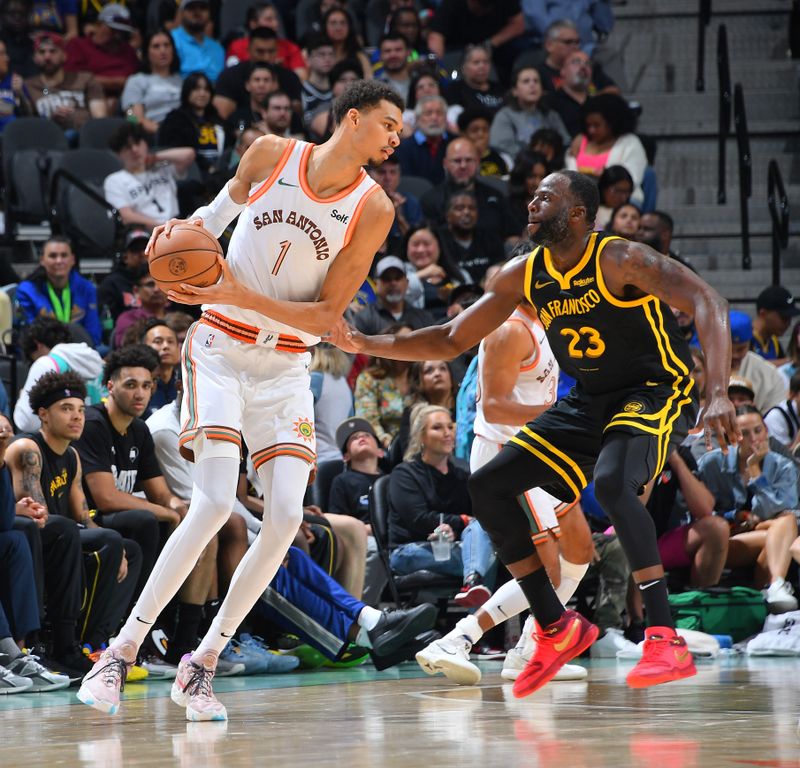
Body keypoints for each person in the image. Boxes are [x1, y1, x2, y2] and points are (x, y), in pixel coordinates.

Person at [329, 169, 738, 695]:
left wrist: (720, 391)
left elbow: (709, 301)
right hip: (591, 400)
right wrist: (364, 340)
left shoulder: (620, 258)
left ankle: (665, 637)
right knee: (487, 487)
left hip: (657, 388)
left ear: (578, 215)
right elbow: (451, 337)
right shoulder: (524, 274)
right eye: (532, 193)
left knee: (613, 484)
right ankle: (556, 626)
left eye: (546, 195)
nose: (532, 202)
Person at [78, 80, 406, 721]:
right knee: (212, 503)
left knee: (285, 518)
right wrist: (171, 249)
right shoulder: (268, 154)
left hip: (286, 366)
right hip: (221, 350)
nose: (397, 137)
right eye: (389, 123)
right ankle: (120, 651)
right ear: (353, 118)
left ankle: (203, 663)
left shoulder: (374, 208)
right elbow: (207, 226)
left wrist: (237, 290)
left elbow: (324, 316)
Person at [416, 298, 593, 684]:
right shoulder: (509, 330)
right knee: (544, 567)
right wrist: (565, 419)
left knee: (580, 548)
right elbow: (495, 408)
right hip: (506, 454)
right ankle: (456, 640)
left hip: (539, 448)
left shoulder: (547, 319)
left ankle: (532, 649)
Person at [6, 372, 145, 656]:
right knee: (79, 532)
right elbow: (38, 514)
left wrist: (114, 545)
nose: (77, 417)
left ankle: (96, 642)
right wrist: (104, 537)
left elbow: (83, 516)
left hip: (65, 534)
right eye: (66, 409)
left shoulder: (72, 455)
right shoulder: (28, 449)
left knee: (129, 549)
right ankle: (62, 642)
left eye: (81, 410)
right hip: (37, 535)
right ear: (43, 414)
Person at [388, 405, 497, 601]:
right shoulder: (404, 474)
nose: (447, 433)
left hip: (458, 546)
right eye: (437, 428)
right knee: (491, 556)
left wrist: (464, 524)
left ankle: (473, 583)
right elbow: (419, 519)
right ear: (421, 436)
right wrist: (462, 521)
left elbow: (480, 512)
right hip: (411, 550)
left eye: (450, 427)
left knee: (484, 532)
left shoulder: (464, 470)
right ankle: (482, 625)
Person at [698, 405, 799, 613]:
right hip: (724, 539)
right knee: (783, 527)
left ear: (766, 431)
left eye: (758, 430)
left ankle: (766, 592)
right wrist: (735, 516)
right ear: (732, 435)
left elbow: (782, 510)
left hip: (765, 536)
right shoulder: (712, 463)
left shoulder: (782, 466)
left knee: (783, 525)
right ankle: (775, 588)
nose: (754, 438)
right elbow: (700, 512)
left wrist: (755, 472)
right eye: (744, 433)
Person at [15, 317, 103, 433]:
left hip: (62, 444)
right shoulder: (98, 363)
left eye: (32, 358)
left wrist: (23, 398)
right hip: (95, 438)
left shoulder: (46, 364)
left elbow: (26, 421)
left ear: (37, 345)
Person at [104, 122, 196, 229]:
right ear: (119, 155)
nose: (134, 150)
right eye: (127, 147)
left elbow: (189, 154)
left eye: (137, 143)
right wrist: (162, 227)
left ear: (146, 144)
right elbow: (126, 216)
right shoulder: (115, 180)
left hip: (176, 226)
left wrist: (156, 157)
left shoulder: (161, 168)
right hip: (146, 233)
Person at [16, 236, 102, 346]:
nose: (59, 261)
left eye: (64, 255)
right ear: (42, 260)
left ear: (72, 260)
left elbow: (94, 336)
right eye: (53, 256)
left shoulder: (87, 288)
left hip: (79, 353)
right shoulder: (27, 291)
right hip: (43, 355)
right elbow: (28, 336)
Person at [566, 94, 648, 206]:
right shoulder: (580, 141)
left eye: (597, 125)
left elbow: (632, 179)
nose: (591, 130)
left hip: (621, 205)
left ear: (612, 123)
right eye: (588, 125)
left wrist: (606, 178)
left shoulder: (630, 143)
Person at [25, 30, 107, 131]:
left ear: (64, 56)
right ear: (35, 58)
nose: (47, 57)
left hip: (84, 140)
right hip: (47, 140)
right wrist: (52, 120)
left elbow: (100, 120)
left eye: (53, 51)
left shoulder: (85, 79)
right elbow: (28, 125)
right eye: (42, 52)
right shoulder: (28, 86)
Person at [489, 66, 569, 159]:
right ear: (514, 91)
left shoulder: (551, 115)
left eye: (536, 81)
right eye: (526, 81)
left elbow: (566, 144)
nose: (532, 85)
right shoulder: (505, 115)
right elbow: (502, 147)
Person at [64, 3, 138, 102]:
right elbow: (73, 79)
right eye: (113, 30)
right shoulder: (78, 45)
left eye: (121, 32)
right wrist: (116, 82)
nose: (117, 35)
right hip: (85, 98)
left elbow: (135, 82)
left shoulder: (128, 51)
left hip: (124, 102)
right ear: (99, 24)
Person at [158, 72, 228, 177]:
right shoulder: (175, 119)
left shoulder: (217, 119)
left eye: (206, 89)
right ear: (187, 92)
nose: (202, 93)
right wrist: (207, 167)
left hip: (220, 172)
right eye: (196, 89)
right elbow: (178, 150)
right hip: (190, 174)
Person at [120, 29, 182, 137]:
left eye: (167, 45)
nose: (163, 51)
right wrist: (161, 131)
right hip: (152, 135)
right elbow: (130, 115)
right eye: (156, 46)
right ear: (147, 52)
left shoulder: (181, 81)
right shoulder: (136, 81)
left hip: (183, 130)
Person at [353, 256, 435, 336]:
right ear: (376, 284)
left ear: (407, 282)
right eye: (386, 278)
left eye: (398, 277)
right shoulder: (363, 318)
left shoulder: (425, 318)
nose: (393, 283)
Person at [730, 310, 787, 414]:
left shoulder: (768, 373)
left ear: (749, 343)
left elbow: (775, 419)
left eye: (741, 349)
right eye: (728, 349)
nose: (734, 355)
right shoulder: (701, 365)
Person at [97, 228, 150, 323]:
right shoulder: (111, 284)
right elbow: (107, 321)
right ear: (125, 257)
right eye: (136, 250)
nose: (142, 253)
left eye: (146, 248)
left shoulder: (163, 278)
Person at [170, 0, 224, 82]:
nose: (197, 12)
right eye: (191, 8)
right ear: (181, 12)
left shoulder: (218, 48)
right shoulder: (170, 40)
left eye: (203, 8)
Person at [751, 285, 799, 363]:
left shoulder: (774, 341)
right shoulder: (744, 338)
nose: (788, 323)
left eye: (790, 318)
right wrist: (791, 362)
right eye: (784, 318)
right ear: (763, 314)